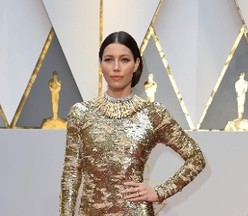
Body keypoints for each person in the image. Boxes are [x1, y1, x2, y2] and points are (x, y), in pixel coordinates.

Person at [59, 31, 206, 216]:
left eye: (125, 60)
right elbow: (71, 173)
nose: (116, 67)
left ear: (136, 64)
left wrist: (159, 192)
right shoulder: (80, 113)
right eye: (109, 59)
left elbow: (196, 158)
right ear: (100, 64)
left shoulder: (153, 114)